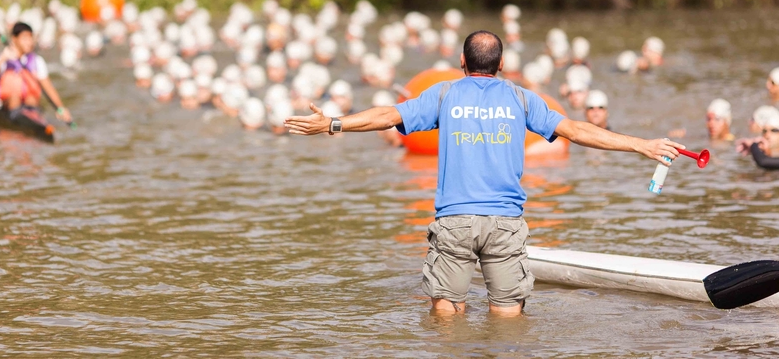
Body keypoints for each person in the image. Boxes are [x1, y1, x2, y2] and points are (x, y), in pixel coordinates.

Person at [285, 30, 681, 317]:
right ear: (502, 65)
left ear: (462, 63)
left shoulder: (444, 93)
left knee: (445, 318)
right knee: (508, 323)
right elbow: (576, 131)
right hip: (505, 223)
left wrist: (334, 124)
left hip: (455, 220)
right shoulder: (521, 97)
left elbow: (388, 115)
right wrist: (641, 145)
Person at [0, 22, 72, 122]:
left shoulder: (37, 61)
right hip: (8, 104)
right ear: (14, 39)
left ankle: (32, 119)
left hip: (30, 104)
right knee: (14, 99)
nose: (29, 42)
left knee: (32, 99)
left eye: (30, 38)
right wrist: (3, 58)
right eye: (24, 38)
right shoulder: (3, 57)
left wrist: (60, 108)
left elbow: (48, 87)